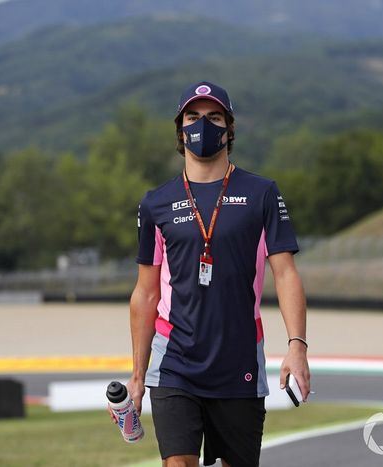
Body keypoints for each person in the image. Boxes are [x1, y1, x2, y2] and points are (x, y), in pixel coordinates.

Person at [127, 81, 310, 467]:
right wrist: (138, 374)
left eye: (214, 117)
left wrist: (297, 345)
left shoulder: (262, 193)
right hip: (174, 359)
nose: (203, 125)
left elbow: (286, 274)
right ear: (180, 130)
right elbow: (145, 294)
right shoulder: (155, 203)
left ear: (229, 129)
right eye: (193, 117)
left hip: (239, 357)